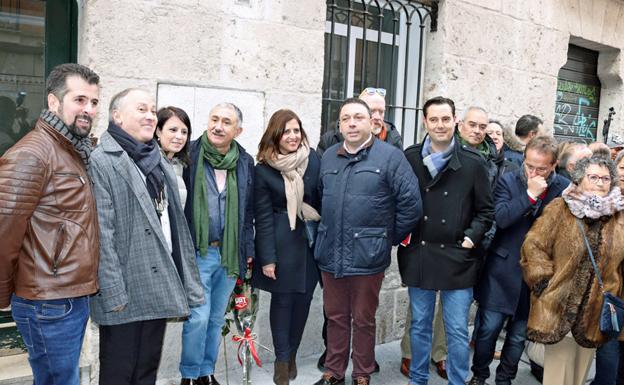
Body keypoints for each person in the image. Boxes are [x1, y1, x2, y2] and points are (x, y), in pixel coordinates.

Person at [89, 88, 204, 385]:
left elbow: (175, 226)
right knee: (118, 373)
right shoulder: (102, 160)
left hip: (157, 282)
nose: (150, 116)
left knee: (146, 372)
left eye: (153, 110)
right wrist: (112, 292)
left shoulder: (157, 159)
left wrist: (185, 279)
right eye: (141, 109)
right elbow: (103, 232)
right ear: (117, 116)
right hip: (125, 289)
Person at [0, 63, 100, 385]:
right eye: (80, 100)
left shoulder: (70, 150)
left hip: (68, 296)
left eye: (94, 102)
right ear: (54, 102)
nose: (88, 110)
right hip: (48, 302)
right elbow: (4, 230)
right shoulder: (33, 153)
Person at [313, 97, 422, 385]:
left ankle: (362, 372)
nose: (351, 123)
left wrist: (385, 238)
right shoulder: (328, 157)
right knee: (335, 316)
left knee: (363, 319)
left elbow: (411, 205)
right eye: (345, 118)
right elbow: (318, 198)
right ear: (339, 124)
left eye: (358, 117)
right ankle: (334, 372)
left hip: (368, 256)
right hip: (331, 253)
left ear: (372, 123)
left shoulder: (390, 157)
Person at [398, 96, 494, 385]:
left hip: (458, 256)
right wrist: (403, 234)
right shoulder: (410, 157)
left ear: (455, 121)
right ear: (425, 122)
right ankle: (417, 381)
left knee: (455, 330)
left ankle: (456, 381)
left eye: (445, 119)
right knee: (420, 326)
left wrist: (470, 239)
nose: (439, 125)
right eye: (433, 119)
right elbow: (398, 201)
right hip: (420, 253)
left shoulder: (473, 163)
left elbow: (486, 210)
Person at [469, 136, 569, 385]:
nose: (533, 172)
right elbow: (501, 218)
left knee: (517, 337)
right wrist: (530, 195)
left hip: (536, 277)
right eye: (529, 165)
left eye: (541, 168)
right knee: (487, 330)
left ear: (554, 165)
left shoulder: (564, 188)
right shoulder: (509, 180)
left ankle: (504, 380)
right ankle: (479, 376)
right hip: (501, 271)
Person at [521, 155, 624, 385]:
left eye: (605, 178)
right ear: (579, 179)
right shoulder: (562, 207)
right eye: (593, 177)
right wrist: (544, 282)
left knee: (579, 376)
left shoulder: (619, 216)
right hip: (558, 306)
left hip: (594, 314)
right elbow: (534, 245)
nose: (600, 182)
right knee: (557, 377)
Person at [180, 102, 255, 385]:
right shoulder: (191, 153)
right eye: (214, 119)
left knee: (214, 319)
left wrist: (247, 251)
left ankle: (205, 373)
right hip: (199, 251)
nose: (218, 126)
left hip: (229, 253)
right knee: (197, 317)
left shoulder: (245, 162)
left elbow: (248, 213)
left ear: (238, 130)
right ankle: (188, 374)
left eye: (226, 122)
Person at [253, 109, 321, 385]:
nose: (292, 136)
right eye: (286, 131)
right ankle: (281, 361)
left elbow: (323, 198)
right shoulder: (264, 169)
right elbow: (263, 215)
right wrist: (267, 258)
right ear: (275, 135)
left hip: (309, 241)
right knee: (282, 302)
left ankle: (292, 354)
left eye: (296, 130)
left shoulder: (313, 160)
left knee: (303, 301)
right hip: (281, 241)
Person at [317, 87, 402, 156]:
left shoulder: (393, 140)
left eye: (381, 112)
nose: (377, 117)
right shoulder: (330, 140)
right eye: (372, 111)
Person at [156, 106, 192, 207]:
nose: (179, 136)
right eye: (173, 130)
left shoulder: (181, 165)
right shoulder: (149, 163)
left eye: (184, 132)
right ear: (158, 131)